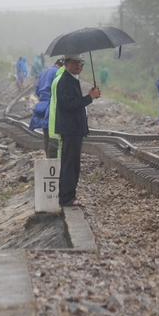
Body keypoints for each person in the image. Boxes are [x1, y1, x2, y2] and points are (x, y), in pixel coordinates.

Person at [55, 53, 101, 207]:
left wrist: (90, 96)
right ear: (66, 63)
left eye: (81, 63)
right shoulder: (65, 81)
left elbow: (74, 102)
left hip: (73, 128)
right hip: (70, 128)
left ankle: (69, 194)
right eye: (75, 63)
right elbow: (70, 104)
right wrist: (89, 97)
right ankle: (67, 198)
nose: (79, 66)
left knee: (72, 163)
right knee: (70, 163)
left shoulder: (72, 79)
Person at [29, 57, 64, 158]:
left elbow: (37, 90)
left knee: (47, 136)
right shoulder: (58, 73)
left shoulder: (43, 73)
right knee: (54, 136)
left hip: (43, 105)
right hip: (52, 106)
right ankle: (52, 161)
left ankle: (48, 158)